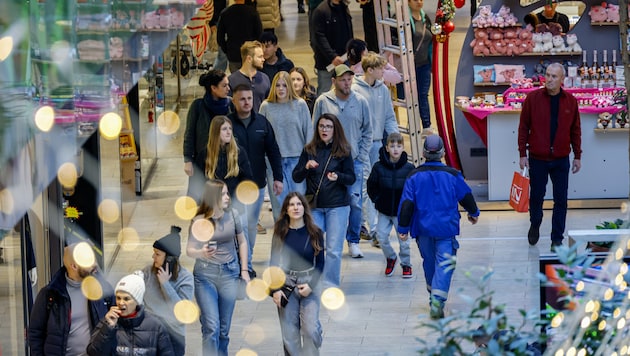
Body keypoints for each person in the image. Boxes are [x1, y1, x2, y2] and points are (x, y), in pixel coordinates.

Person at [397, 134, 480, 319]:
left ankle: (433, 294)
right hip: (446, 229)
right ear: (443, 153)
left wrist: (403, 229)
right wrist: (473, 213)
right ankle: (437, 300)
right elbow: (466, 195)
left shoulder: (414, 176)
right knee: (444, 265)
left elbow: (407, 204)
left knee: (429, 263)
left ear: (424, 153)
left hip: (422, 229)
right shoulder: (452, 175)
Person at [518, 62, 582, 250]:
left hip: (561, 158)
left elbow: (575, 130)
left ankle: (557, 239)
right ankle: (535, 223)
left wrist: (577, 155)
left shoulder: (570, 101)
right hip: (538, 158)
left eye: (554, 76)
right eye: (547, 75)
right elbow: (523, 127)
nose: (549, 79)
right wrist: (522, 153)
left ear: (562, 79)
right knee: (537, 197)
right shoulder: (532, 99)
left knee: (561, 200)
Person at [313, 64, 372, 259]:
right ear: (334, 81)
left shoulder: (361, 101)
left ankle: (353, 241)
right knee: (327, 202)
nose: (347, 83)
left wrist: (361, 156)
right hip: (329, 161)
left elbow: (367, 131)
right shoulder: (323, 101)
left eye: (349, 79)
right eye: (342, 80)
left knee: (355, 202)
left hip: (354, 162)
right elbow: (315, 130)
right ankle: (328, 241)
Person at [186, 179, 250, 356]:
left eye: (227, 193)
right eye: (223, 194)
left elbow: (243, 242)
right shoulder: (199, 220)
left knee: (223, 330)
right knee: (211, 327)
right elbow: (189, 250)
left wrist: (244, 270)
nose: (228, 197)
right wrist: (201, 252)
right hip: (205, 275)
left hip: (230, 273)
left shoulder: (234, 214)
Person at [293, 113, 356, 288]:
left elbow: (351, 178)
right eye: (321, 126)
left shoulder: (343, 151)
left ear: (335, 129)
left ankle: (330, 286)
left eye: (328, 126)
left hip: (337, 206)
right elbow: (296, 177)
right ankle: (313, 283)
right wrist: (306, 167)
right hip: (315, 206)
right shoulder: (309, 150)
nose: (324, 130)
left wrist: (339, 176)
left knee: (334, 250)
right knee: (315, 247)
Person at [229, 83, 283, 275]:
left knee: (250, 226)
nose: (246, 102)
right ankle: (239, 264)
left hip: (257, 185)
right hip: (232, 186)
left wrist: (278, 177)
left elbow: (273, 151)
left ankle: (247, 263)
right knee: (238, 225)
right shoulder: (227, 124)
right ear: (234, 100)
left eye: (249, 98)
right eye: (242, 99)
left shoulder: (262, 123)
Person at [29, 242, 114, 355]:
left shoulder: (103, 289)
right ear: (74, 266)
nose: (94, 264)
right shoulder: (50, 295)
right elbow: (35, 333)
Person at [351, 51, 400, 247]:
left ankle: (374, 228)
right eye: (381, 68)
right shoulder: (355, 90)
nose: (384, 72)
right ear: (370, 70)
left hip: (378, 144)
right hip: (360, 145)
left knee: (377, 186)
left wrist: (395, 139)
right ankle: (371, 229)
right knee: (363, 186)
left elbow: (389, 116)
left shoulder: (383, 89)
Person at [269, 192, 325, 355]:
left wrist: (311, 285)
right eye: (292, 205)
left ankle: (316, 329)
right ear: (286, 209)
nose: (296, 208)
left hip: (309, 281)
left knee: (309, 329)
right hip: (286, 282)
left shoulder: (315, 232)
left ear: (304, 208)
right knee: (290, 334)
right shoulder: (280, 233)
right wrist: (275, 290)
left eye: (299, 204)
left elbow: (320, 263)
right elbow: (273, 263)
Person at [259, 71, 313, 221]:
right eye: (277, 85)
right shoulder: (266, 106)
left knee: (299, 201)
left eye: (284, 85)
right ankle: (282, 237)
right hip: (274, 161)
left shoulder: (300, 105)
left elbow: (308, 132)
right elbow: (261, 134)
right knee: (279, 204)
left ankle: (300, 235)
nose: (281, 88)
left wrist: (308, 158)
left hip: (297, 159)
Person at [87, 272, 175, 355]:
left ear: (137, 301)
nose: (121, 303)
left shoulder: (156, 326)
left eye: (126, 299)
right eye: (118, 298)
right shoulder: (107, 322)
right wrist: (107, 328)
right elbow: (93, 352)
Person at [366, 133, 415, 277]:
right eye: (392, 146)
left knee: (404, 241)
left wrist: (410, 206)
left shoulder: (409, 168)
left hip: (402, 213)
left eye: (398, 146)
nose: (395, 149)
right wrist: (377, 199)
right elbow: (371, 185)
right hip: (384, 210)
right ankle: (391, 257)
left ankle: (406, 264)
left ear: (403, 148)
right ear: (386, 148)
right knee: (381, 237)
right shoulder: (378, 167)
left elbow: (414, 189)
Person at [142, 226, 194, 356]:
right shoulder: (148, 271)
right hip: (149, 329)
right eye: (154, 252)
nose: (153, 256)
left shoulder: (186, 279)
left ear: (169, 258)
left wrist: (165, 284)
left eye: (158, 254)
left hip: (173, 333)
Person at [184, 69, 232, 204]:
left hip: (225, 160)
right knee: (200, 200)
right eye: (224, 85)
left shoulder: (230, 105)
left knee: (223, 199)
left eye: (228, 84)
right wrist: (187, 159)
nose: (228, 88)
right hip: (202, 161)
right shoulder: (198, 106)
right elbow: (190, 134)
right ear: (213, 88)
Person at [204, 115, 254, 204]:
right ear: (215, 132)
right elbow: (197, 183)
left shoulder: (239, 152)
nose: (228, 132)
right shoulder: (205, 154)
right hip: (213, 205)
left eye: (230, 128)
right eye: (224, 129)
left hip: (235, 204)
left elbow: (247, 178)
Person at [310, 0, 354, 95]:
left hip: (345, 59)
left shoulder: (344, 8)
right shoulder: (321, 11)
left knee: (346, 89)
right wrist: (332, 56)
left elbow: (349, 32)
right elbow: (319, 37)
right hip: (327, 62)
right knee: (324, 91)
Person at [216, 0, 263, 73]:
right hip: (249, 52)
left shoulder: (225, 13)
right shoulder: (252, 12)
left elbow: (220, 37)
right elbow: (259, 34)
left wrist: (227, 50)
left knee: (236, 80)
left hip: (233, 53)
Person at [409, 0, 434, 130]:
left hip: (425, 64)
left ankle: (426, 126)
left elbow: (431, 38)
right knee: (410, 97)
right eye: (415, 0)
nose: (419, 2)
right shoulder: (403, 20)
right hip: (409, 66)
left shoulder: (426, 19)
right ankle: (412, 125)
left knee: (423, 94)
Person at [228, 41, 271, 113]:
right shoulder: (231, 80)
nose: (263, 59)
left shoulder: (265, 78)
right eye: (260, 57)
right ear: (249, 59)